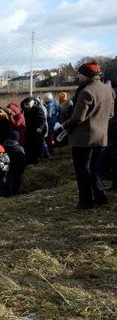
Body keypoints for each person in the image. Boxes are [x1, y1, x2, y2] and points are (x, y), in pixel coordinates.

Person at [63, 60, 116, 209]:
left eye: (80, 73)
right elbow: (111, 114)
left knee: (82, 170)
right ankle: (101, 197)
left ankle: (86, 202)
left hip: (84, 139)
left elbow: (78, 118)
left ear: (86, 75)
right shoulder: (108, 89)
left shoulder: (86, 91)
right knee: (95, 169)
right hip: (101, 136)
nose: (78, 76)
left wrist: (65, 124)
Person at [21, 96, 47, 165]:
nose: (26, 106)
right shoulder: (26, 109)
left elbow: (43, 120)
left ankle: (35, 161)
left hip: (37, 130)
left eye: (28, 105)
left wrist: (40, 128)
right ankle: (29, 160)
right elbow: (22, 105)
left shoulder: (38, 109)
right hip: (29, 130)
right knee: (28, 146)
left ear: (32, 103)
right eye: (25, 105)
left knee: (35, 146)